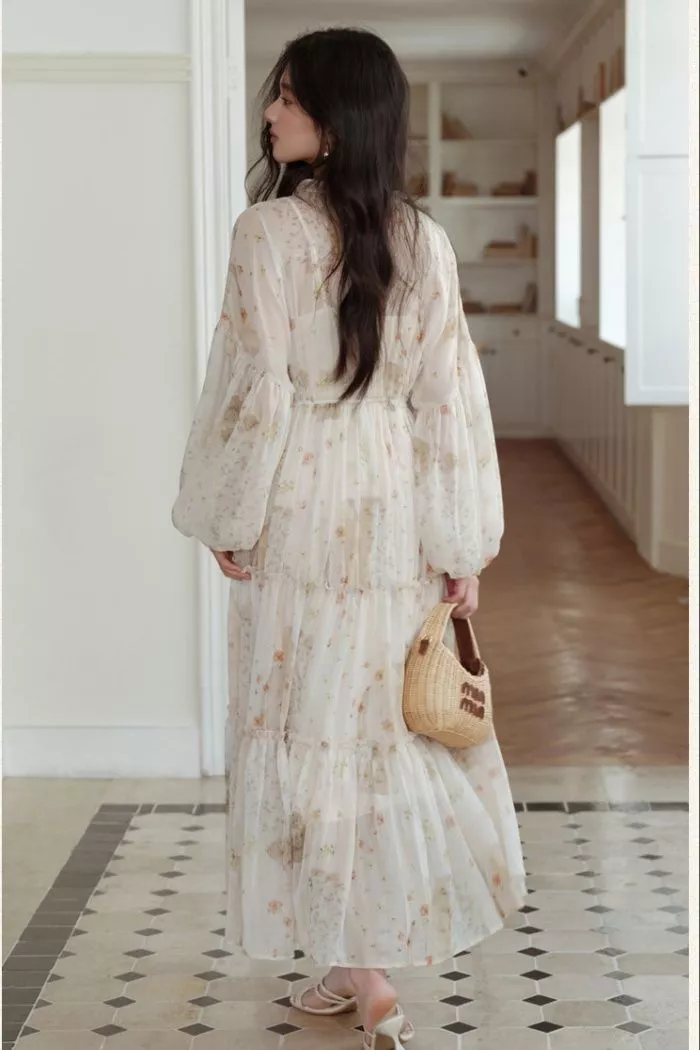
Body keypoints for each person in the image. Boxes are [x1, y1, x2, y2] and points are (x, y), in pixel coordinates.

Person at [172, 27, 526, 1050]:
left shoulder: (267, 235)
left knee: (303, 724)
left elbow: (250, 393)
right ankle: (349, 962)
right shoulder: (427, 241)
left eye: (288, 98)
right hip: (394, 499)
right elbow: (451, 402)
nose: (269, 113)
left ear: (335, 122)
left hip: (299, 499)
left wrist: (228, 515)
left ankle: (366, 978)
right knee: (375, 727)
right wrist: (460, 544)